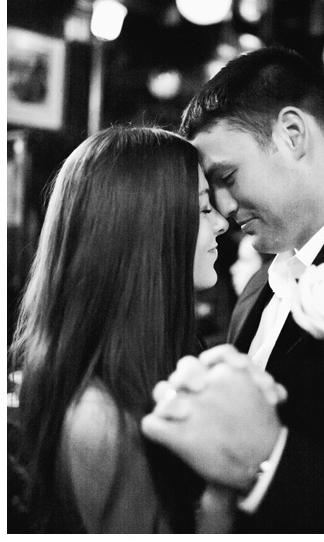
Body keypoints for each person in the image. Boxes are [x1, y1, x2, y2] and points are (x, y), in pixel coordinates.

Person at [141, 45, 324, 533]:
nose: (220, 207)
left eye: (227, 176)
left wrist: (269, 463)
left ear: (291, 133)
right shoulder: (260, 284)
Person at [9, 126, 230, 532]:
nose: (221, 223)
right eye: (202, 208)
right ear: (149, 229)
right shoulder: (101, 417)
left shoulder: (151, 365)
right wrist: (230, 481)